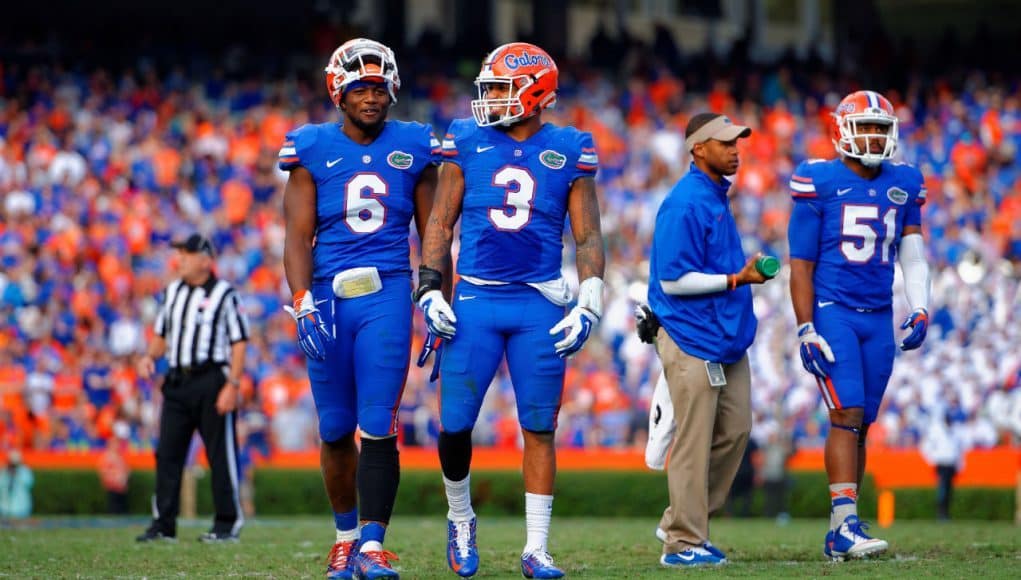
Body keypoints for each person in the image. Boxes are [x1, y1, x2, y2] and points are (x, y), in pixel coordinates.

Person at [414, 42, 605, 579]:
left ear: (536, 92)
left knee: (539, 425)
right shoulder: (467, 138)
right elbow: (440, 222)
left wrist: (590, 296)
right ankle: (460, 516)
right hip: (475, 296)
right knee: (454, 425)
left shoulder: (570, 147)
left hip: (539, 302)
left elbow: (587, 234)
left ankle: (537, 547)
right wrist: (430, 288)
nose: (490, 99)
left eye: (501, 88)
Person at [280, 38, 440, 580]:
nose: (371, 97)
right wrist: (302, 301)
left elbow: (433, 231)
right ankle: (345, 539)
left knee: (378, 422)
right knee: (332, 427)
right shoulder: (309, 146)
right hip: (325, 293)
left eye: (378, 87)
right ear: (338, 93)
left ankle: (372, 545)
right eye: (360, 88)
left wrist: (434, 291)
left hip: (388, 290)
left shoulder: (416, 144)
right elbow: (297, 236)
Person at [787, 90, 930, 560]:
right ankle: (845, 523)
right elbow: (802, 265)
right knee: (844, 414)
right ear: (843, 130)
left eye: (880, 128)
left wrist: (921, 304)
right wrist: (806, 327)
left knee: (861, 423)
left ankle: (842, 527)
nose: (872, 136)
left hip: (878, 317)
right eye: (864, 126)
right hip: (834, 310)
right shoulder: (819, 179)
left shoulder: (905, 181)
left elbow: (912, 251)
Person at [646, 112, 767, 567]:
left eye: (738, 142)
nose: (735, 149)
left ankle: (683, 518)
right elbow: (675, 280)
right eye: (725, 142)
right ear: (698, 148)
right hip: (690, 334)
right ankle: (681, 541)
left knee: (736, 431)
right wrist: (738, 279)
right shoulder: (686, 202)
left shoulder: (715, 196)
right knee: (694, 440)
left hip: (725, 338)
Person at [136, 233, 250, 543]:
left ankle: (227, 524)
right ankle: (163, 524)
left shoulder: (225, 294)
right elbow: (162, 334)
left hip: (211, 379)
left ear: (204, 260)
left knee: (220, 455)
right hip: (177, 380)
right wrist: (149, 356)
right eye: (179, 254)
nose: (180, 260)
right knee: (168, 454)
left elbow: (239, 342)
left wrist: (233, 384)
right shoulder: (172, 291)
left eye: (186, 254)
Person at [920, 410, 965, 520]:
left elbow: (958, 450)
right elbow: (925, 446)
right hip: (942, 463)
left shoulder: (955, 431)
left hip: (951, 464)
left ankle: (946, 513)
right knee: (943, 490)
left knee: (949, 490)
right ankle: (941, 514)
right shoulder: (936, 431)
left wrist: (960, 465)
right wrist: (933, 459)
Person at [0, 450, 34, 519]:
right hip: (5, 507)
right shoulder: (3, 471)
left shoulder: (25, 471)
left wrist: (17, 475)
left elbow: (29, 484)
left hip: (22, 506)